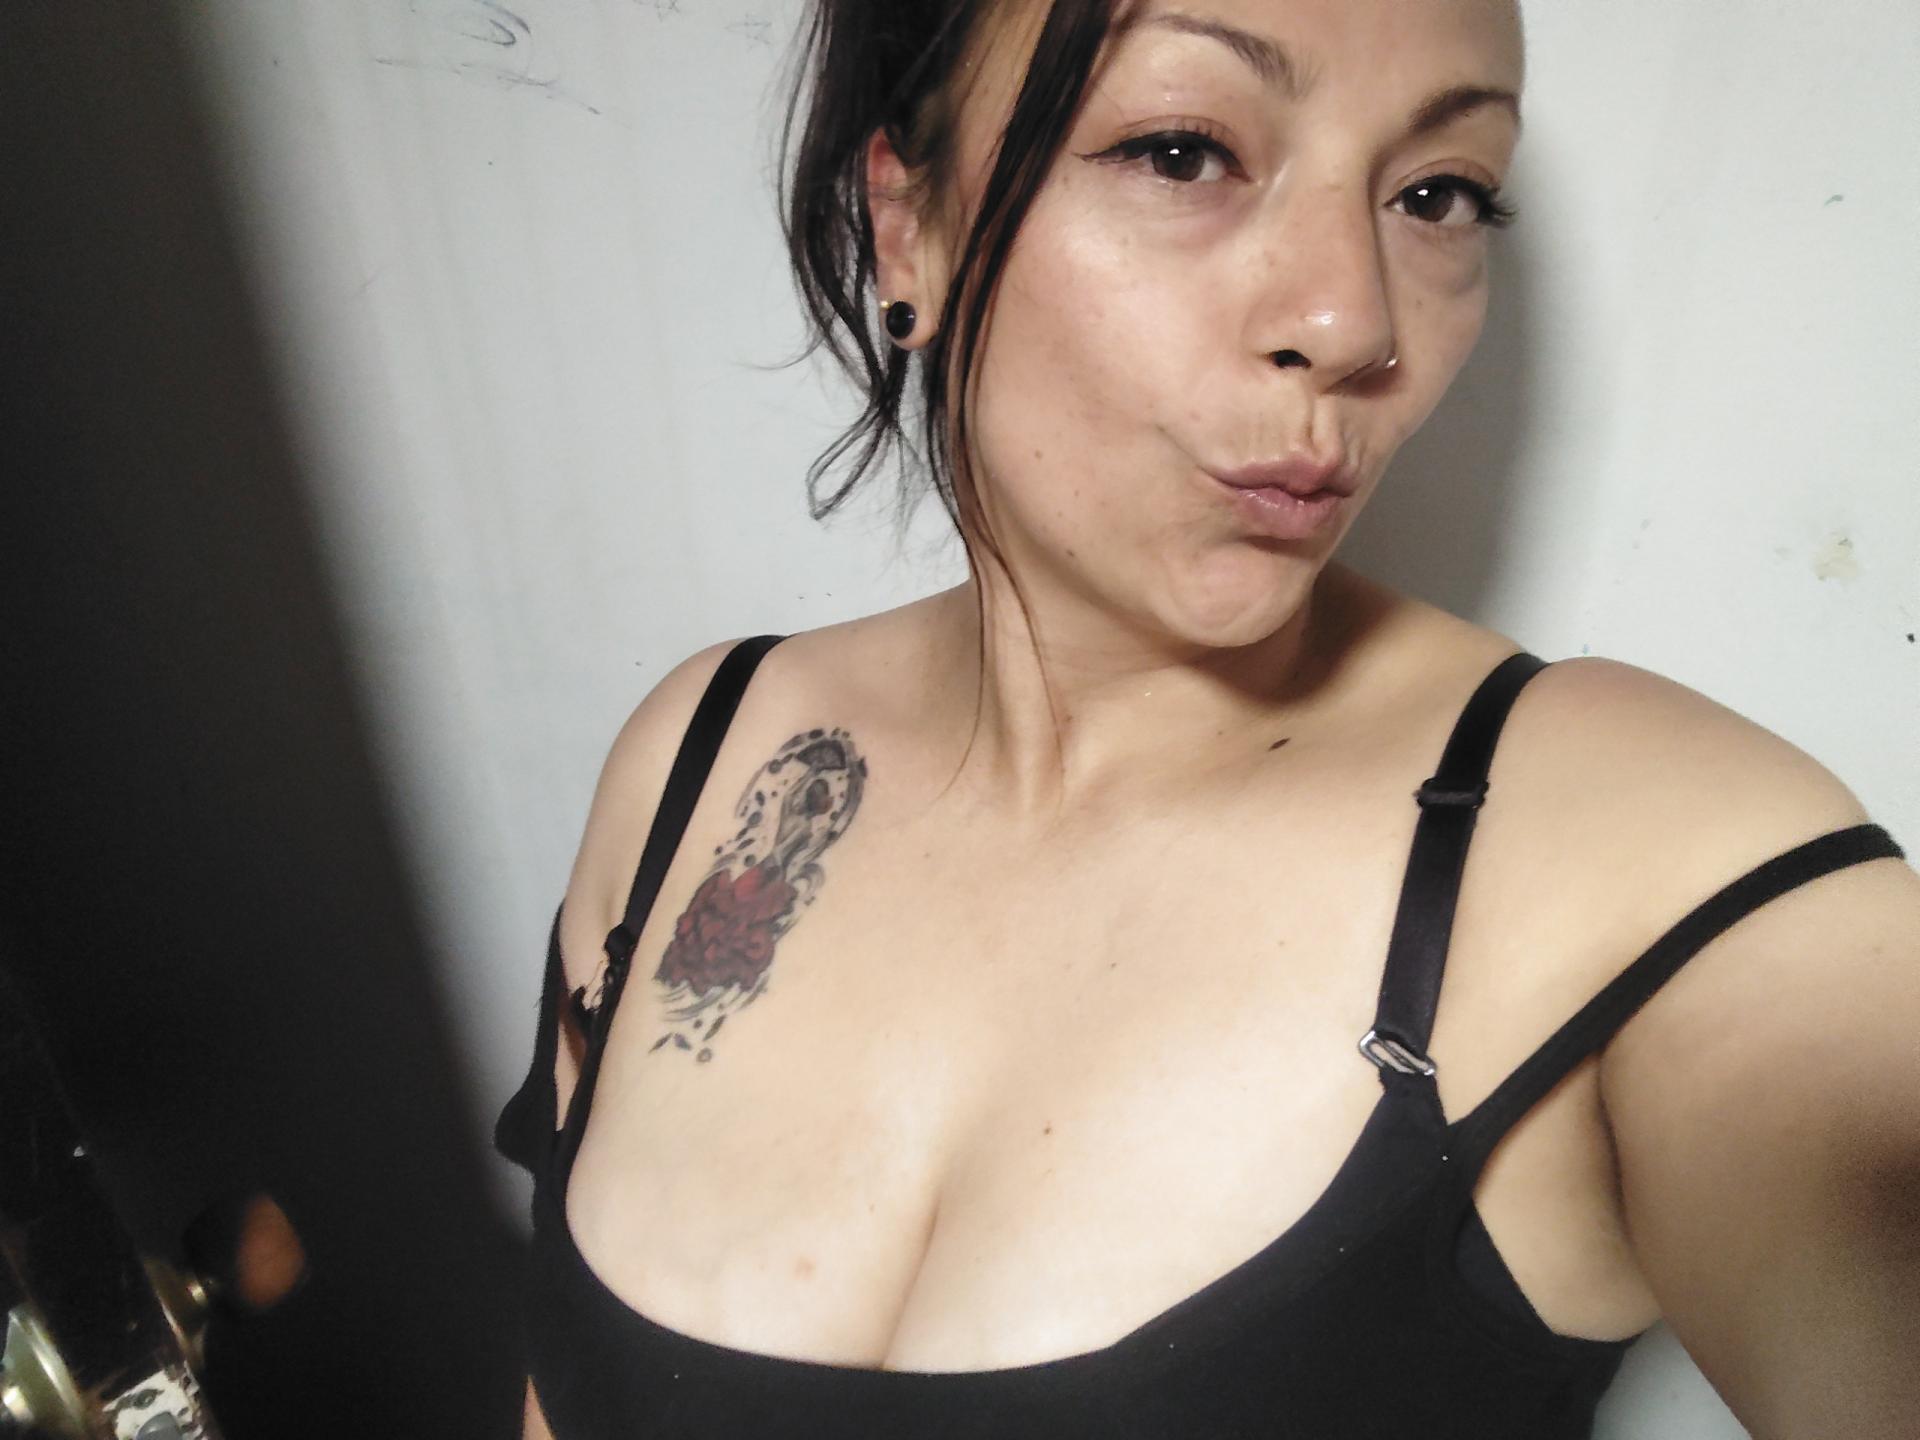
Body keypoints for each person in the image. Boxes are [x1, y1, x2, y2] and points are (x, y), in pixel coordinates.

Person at [494, 1, 1918, 1434]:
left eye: (1440, 195)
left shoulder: (1666, 859)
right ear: (908, 228)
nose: (1352, 323)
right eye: (1182, 152)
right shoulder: (706, 752)